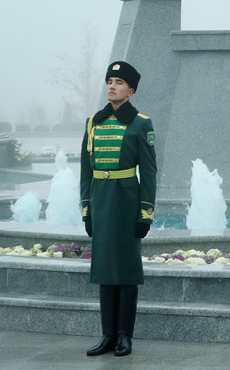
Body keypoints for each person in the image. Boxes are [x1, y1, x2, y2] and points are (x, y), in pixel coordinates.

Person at [79, 61, 156, 357]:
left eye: (119, 82)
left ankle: (125, 336)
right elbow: (86, 170)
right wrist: (86, 208)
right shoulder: (93, 122)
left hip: (126, 201)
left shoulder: (140, 123)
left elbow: (149, 172)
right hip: (100, 200)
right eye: (110, 81)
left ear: (131, 90)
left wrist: (145, 213)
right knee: (103, 268)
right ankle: (108, 335)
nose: (112, 86)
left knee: (125, 269)